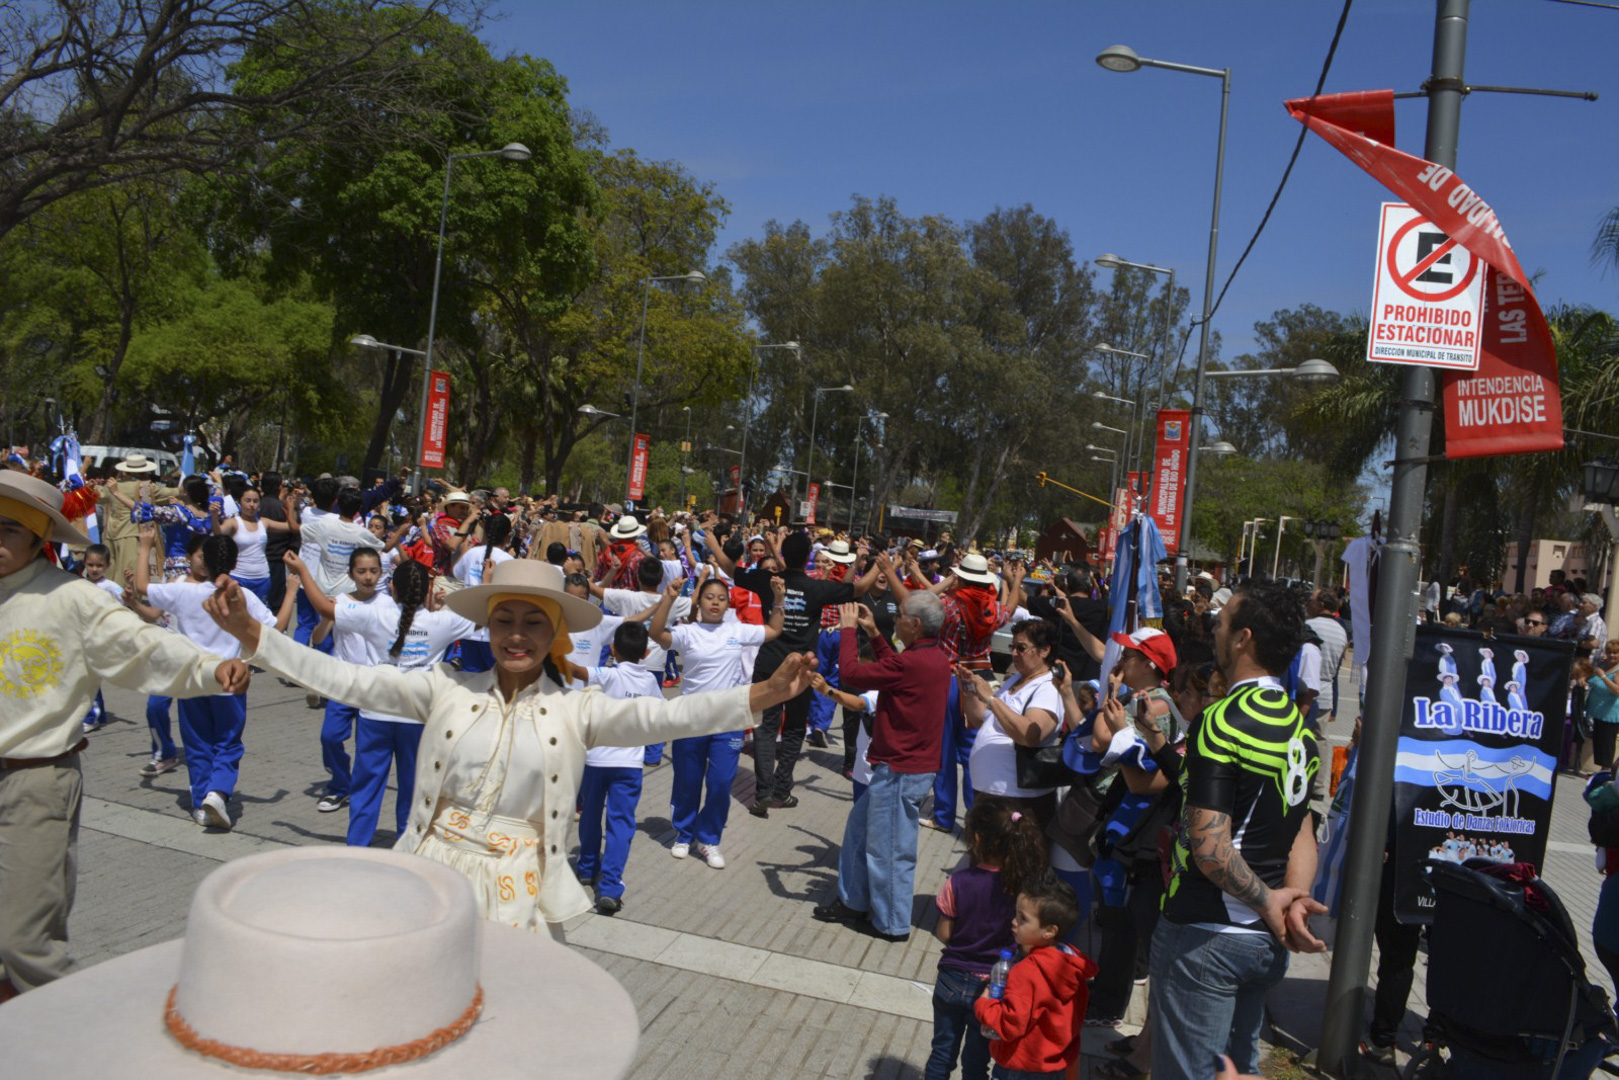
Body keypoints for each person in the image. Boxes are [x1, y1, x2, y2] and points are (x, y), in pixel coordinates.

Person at [201, 558, 819, 937]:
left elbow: (670, 716)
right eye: (504, 620)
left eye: (533, 622)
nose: (516, 635)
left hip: (520, 889)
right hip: (433, 875)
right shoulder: (444, 689)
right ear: (487, 626)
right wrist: (254, 634)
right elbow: (349, 680)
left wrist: (763, 694)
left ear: (555, 633)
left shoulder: (577, 709)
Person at [0, 471, 254, 998]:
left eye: (9, 528)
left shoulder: (71, 598)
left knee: (25, 942)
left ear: (38, 535)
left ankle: (70, 1032)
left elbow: (144, 646)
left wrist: (210, 669)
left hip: (33, 779)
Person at [1150, 578, 1326, 1080]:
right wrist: (1290, 903)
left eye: (1222, 623)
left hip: (1207, 935)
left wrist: (1271, 903)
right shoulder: (1300, 730)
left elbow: (1209, 847)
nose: (1214, 630)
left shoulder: (1222, 720)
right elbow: (1302, 834)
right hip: (1262, 940)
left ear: (1244, 638)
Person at [813, 597, 952, 940]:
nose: (895, 620)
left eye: (900, 616)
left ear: (915, 625)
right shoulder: (932, 656)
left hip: (901, 771)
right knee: (859, 832)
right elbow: (894, 666)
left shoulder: (914, 662)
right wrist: (874, 633)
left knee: (889, 849)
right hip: (898, 768)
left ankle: (892, 923)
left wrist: (848, 630)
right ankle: (853, 901)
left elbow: (851, 674)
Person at [713, 530, 877, 817]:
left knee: (765, 727)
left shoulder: (768, 580)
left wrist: (712, 542)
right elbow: (860, 588)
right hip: (802, 668)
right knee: (794, 728)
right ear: (807, 558)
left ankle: (763, 793)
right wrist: (883, 565)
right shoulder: (816, 587)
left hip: (769, 663)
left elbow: (729, 568)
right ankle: (782, 790)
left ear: (783, 555)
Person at [129, 528, 281, 829]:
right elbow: (274, 628)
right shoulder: (243, 595)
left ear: (204, 562)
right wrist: (289, 593)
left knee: (198, 743)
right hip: (230, 680)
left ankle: (201, 804)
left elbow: (142, 586)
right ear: (234, 563)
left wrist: (145, 546)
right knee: (228, 742)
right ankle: (218, 793)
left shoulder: (183, 591)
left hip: (193, 680)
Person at [649, 569, 785, 870]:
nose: (715, 602)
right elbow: (656, 634)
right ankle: (684, 834)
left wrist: (778, 600)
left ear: (728, 604)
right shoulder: (688, 632)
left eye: (721, 598)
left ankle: (709, 839)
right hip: (691, 718)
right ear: (699, 602)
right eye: (709, 597)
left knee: (722, 781)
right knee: (688, 779)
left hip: (728, 719)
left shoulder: (737, 631)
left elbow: (774, 630)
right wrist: (667, 600)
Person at [925, 801, 1049, 1080]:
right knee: (978, 1060)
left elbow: (945, 934)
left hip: (951, 979)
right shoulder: (1023, 889)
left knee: (941, 1054)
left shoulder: (958, 881)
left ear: (978, 838)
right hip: (994, 987)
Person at [566, 621, 662, 914]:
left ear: (612, 649)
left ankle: (586, 868)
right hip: (629, 765)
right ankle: (609, 887)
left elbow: (577, 671)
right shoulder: (650, 681)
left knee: (590, 815)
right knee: (621, 824)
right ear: (645, 653)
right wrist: (653, 752)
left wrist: (550, 652)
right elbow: (659, 716)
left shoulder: (607, 674)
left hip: (595, 760)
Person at [285, 547, 387, 815]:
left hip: (373, 686)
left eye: (373, 571)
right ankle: (341, 784)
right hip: (343, 683)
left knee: (367, 745)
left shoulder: (388, 604)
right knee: (330, 736)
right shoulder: (339, 602)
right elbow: (318, 639)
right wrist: (327, 619)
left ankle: (362, 792)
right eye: (361, 571)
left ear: (381, 573)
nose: (368, 577)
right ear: (351, 574)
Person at [973, 874, 1096, 1080]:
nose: (1014, 922)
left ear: (1049, 931)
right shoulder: (1072, 961)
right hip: (1055, 1063)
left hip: (1020, 1065)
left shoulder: (1027, 972)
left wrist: (984, 1003)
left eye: (1023, 919)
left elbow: (1009, 1024)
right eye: (1016, 914)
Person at [955, 619, 1064, 828]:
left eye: (1021, 648)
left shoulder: (1047, 687)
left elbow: (1030, 735)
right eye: (1012, 646)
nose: (1014, 653)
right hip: (993, 794)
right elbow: (981, 720)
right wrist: (968, 691)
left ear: (1044, 650)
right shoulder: (1016, 680)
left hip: (1016, 800)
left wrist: (990, 698)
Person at [214, 485, 297, 606]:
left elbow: (291, 527)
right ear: (239, 502)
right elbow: (218, 533)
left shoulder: (264, 522)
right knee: (238, 612)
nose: (252, 505)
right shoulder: (233, 522)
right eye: (247, 501)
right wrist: (213, 516)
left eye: (256, 501)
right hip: (239, 577)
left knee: (259, 614)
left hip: (262, 578)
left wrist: (290, 508)